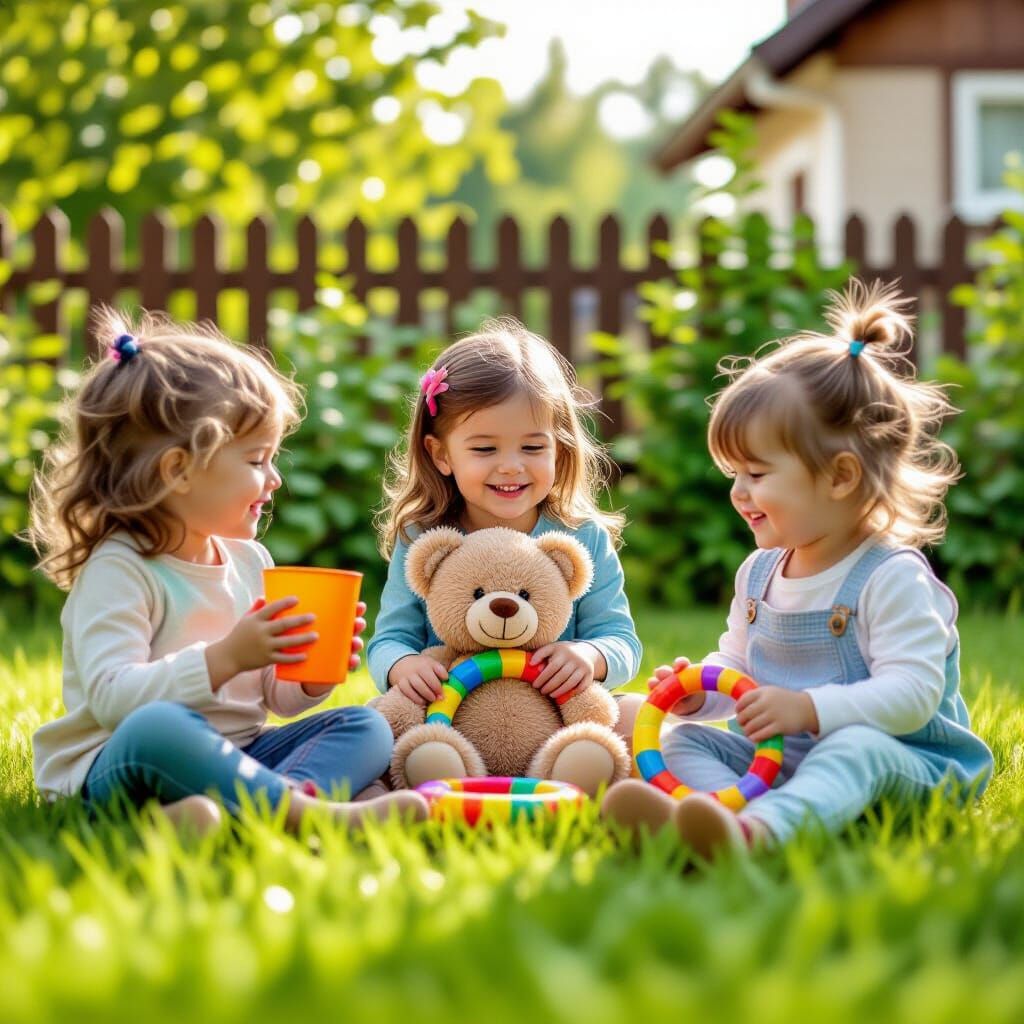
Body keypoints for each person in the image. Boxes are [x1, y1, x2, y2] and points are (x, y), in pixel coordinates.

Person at [602, 281, 993, 858]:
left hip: (904, 762)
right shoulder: (760, 573)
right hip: (785, 761)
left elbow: (912, 694)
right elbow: (737, 667)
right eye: (733, 473)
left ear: (840, 476)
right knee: (683, 739)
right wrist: (699, 695)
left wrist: (808, 709)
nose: (738, 492)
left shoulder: (890, 576)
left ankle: (760, 834)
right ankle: (708, 821)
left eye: (757, 474)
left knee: (854, 748)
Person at [30, 309, 427, 834]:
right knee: (158, 727)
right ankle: (305, 812)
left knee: (366, 725)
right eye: (257, 459)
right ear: (179, 471)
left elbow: (270, 701)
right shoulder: (120, 569)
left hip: (239, 753)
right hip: (120, 764)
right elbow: (111, 701)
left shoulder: (248, 562)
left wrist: (307, 677)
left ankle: (240, 813)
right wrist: (224, 657)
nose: (275, 479)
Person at [367, 318, 641, 721]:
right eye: (484, 449)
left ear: (559, 451)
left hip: (553, 722)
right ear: (441, 454)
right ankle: (416, 774)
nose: (511, 467)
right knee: (372, 723)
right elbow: (389, 639)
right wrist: (402, 666)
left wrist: (590, 655)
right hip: (451, 720)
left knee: (634, 712)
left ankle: (585, 769)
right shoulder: (423, 537)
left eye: (532, 447)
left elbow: (622, 641)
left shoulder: (581, 537)